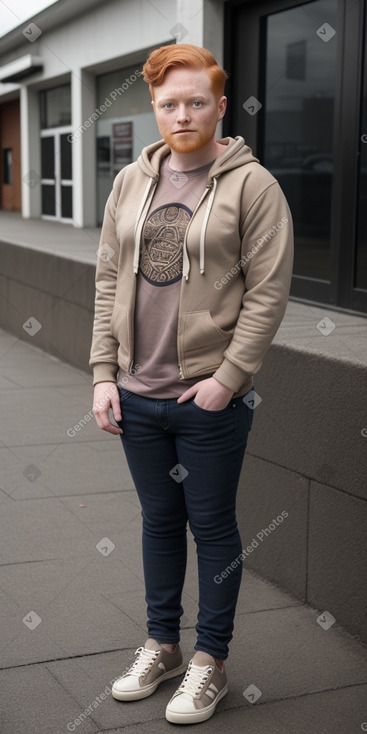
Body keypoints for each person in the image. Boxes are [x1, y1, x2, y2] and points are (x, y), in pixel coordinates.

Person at [90, 43, 294, 725]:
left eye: (195, 102)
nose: (182, 114)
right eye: (168, 103)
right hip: (136, 394)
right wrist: (102, 374)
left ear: (219, 106)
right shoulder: (129, 181)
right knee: (157, 522)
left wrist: (227, 380)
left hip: (206, 399)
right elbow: (109, 280)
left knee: (210, 527)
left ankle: (210, 661)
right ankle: (162, 646)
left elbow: (266, 294)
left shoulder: (251, 185)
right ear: (153, 107)